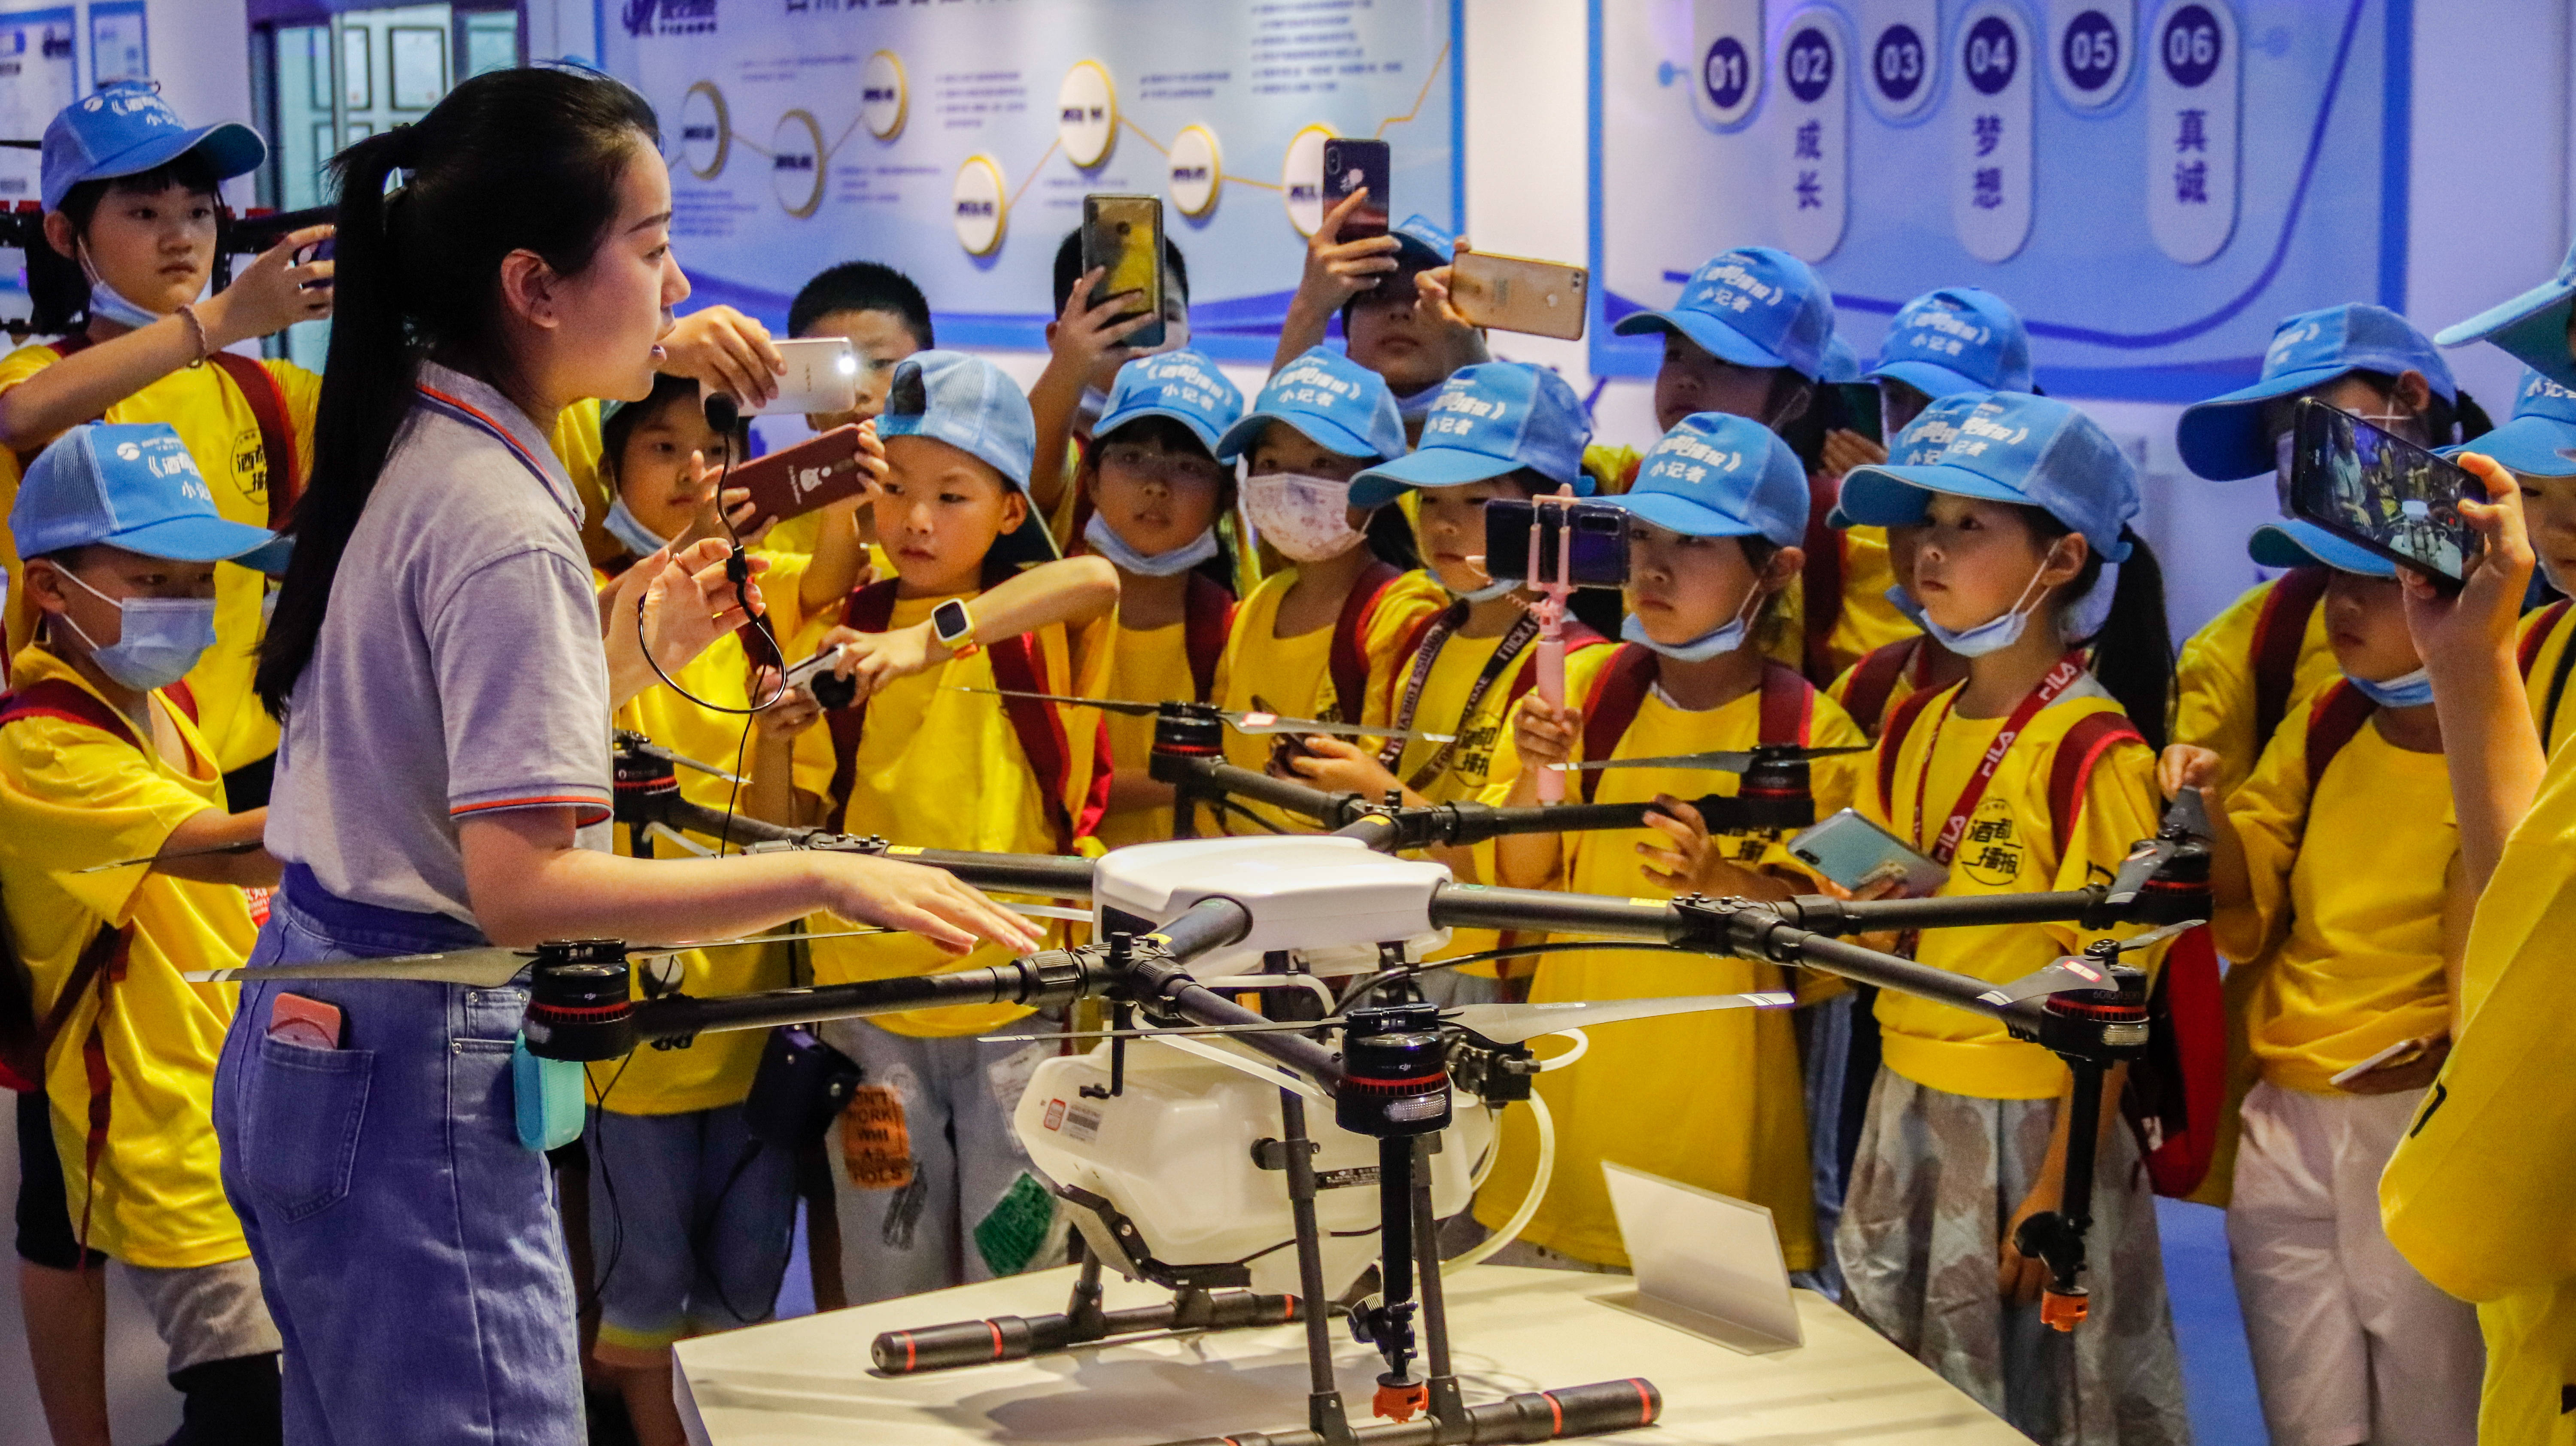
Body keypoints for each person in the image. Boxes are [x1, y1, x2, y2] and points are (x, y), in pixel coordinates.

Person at [220, 69, 1044, 1444]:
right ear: (536, 287)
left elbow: (423, 758)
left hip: (319, 1034)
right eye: (654, 253)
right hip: (410, 1053)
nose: (678, 298)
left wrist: (612, 653)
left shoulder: (416, 429)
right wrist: (826, 881)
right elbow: (524, 888)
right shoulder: (502, 514)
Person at [1828, 392, 2189, 1443]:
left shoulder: (2096, 753)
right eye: (1924, 524)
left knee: (2038, 1401)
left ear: (2063, 557)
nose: (1928, 552)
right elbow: (1886, 900)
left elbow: (2112, 993)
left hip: (2030, 1129)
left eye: (1968, 526)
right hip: (1907, 1099)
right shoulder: (1917, 718)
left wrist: (2057, 1183)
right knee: (1901, 1396)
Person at [1471, 412, 1857, 1272]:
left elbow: (1824, 947)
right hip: (1558, 1134)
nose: (1656, 566)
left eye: (1698, 543)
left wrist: (1723, 878)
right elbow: (1519, 885)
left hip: (1716, 1153)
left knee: (1709, 1395)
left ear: (1780, 569)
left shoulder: (1812, 733)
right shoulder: (1578, 686)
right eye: (1643, 533)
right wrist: (1541, 778)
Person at [786, 349, 1119, 1305]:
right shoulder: (846, 629)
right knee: (888, 1269)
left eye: (955, 493)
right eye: (893, 489)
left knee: (1017, 1277)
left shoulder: (1033, 623)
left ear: (1014, 509)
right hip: (870, 1015)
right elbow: (798, 813)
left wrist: (924, 640)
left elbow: (1092, 578)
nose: (918, 519)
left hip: (1014, 1009)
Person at [2158, 519, 2481, 1446]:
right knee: (2307, 1417)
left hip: (2424, 1116)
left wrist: (2462, 1050)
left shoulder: (2520, 733)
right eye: (2334, 577)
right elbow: (2247, 886)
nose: (2345, 604)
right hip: (2287, 1104)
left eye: (2382, 582)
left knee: (2440, 1416)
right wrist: (2205, 810)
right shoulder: (2331, 716)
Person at [4, 423, 287, 1444]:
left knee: (279, 1400)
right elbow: (226, 853)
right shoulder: (39, 747)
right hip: (157, 1135)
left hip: (242, 1107)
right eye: (151, 578)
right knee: (252, 1404)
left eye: (199, 580)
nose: (187, 604)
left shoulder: (157, 700)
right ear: (49, 590)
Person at [0, 82, 326, 805]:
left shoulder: (268, 391)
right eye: (144, 212)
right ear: (64, 235)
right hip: (95, 770)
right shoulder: (40, 378)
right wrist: (224, 317)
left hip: (256, 773)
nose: (180, 237)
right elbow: (20, 418)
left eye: (199, 212)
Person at [1285, 361, 1607, 1003]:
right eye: (1430, 500)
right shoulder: (1418, 634)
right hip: (1394, 949)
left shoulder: (1578, 664)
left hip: (1491, 972)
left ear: (1552, 509)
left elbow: (1511, 874)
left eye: (1478, 500)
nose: (1445, 524)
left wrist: (1378, 793)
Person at [2169, 305, 2475, 803]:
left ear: (2412, 396)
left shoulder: (2545, 590)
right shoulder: (2251, 642)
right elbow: (2221, 852)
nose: (2300, 453)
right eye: (2282, 434)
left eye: (2318, 418)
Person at [1206, 346, 1438, 833]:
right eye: (1270, 462)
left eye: (1321, 462)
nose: (1290, 484)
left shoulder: (1404, 613)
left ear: (1379, 483)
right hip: (1239, 885)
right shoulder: (1255, 607)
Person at [1063, 348, 1243, 848]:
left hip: (1200, 911)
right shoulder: (1046, 614)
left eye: (1189, 466)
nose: (1157, 486)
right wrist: (1196, 777)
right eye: (1132, 458)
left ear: (1226, 497)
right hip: (1066, 909)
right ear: (1092, 479)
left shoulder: (1236, 628)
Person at [1813, 288, 2035, 680]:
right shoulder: (1847, 514)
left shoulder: (2052, 538)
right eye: (1898, 399)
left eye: (1942, 404)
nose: (1918, 425)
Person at [1824, 392, 1989, 737]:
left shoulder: (2094, 697)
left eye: (1965, 523)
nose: (1924, 546)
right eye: (1905, 517)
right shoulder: (1864, 689)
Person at [1273, 200, 1488, 442]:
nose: (1399, 311)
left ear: (1477, 335)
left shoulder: (1523, 440)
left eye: (1424, 297)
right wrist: (1309, 307)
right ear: (1348, 338)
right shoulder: (1318, 444)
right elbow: (1279, 440)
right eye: (1376, 294)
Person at [762, 258, 934, 561]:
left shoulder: (971, 518)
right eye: (830, 372)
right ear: (807, 408)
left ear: (932, 378)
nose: (857, 390)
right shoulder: (768, 536)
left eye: (880, 363)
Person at [1028, 228, 1194, 535]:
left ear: (1189, 335)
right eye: (1113, 318)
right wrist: (1068, 364)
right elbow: (1024, 472)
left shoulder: (1213, 440)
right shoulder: (1062, 447)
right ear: (1059, 340)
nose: (1141, 339)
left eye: (1166, 318)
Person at [2446, 370, 2576, 755]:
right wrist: (2462, 656)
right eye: (2532, 490)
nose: (2562, 527)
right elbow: (2511, 818)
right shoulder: (2523, 646)